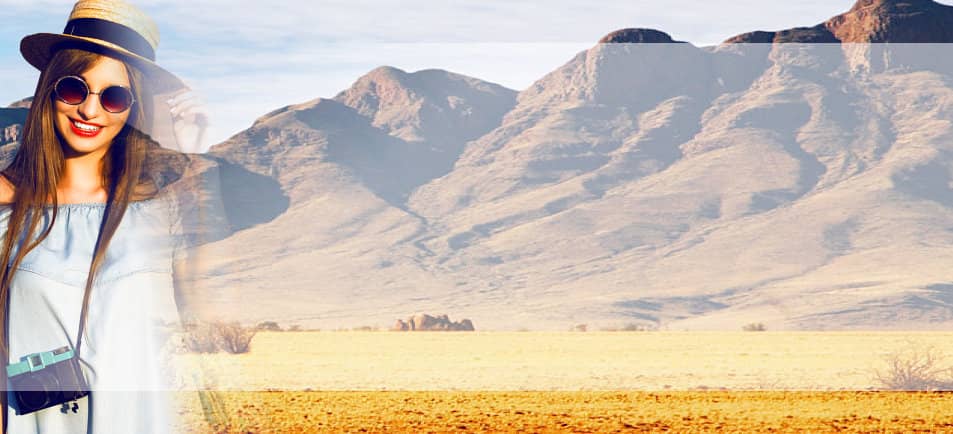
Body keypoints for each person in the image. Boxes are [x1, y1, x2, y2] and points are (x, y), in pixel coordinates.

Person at [0, 1, 202, 432]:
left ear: (134, 110)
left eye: (113, 97)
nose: (90, 111)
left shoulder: (158, 211)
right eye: (75, 89)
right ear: (50, 89)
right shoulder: (5, 204)